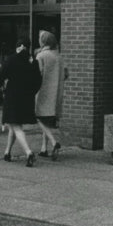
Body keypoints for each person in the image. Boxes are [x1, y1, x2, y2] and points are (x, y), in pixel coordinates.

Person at [0, 37, 41, 167]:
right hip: (27, 98)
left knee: (16, 126)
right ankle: (7, 152)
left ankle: (28, 152)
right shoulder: (33, 61)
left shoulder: (11, 59)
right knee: (13, 125)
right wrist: (31, 92)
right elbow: (38, 81)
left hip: (13, 97)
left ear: (19, 47)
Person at [34, 30, 65, 160]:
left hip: (42, 91)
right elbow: (66, 74)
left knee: (37, 117)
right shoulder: (59, 56)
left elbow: (36, 74)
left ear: (44, 41)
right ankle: (43, 148)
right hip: (56, 92)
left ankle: (53, 142)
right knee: (46, 120)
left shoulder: (41, 56)